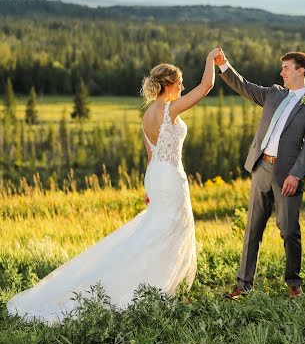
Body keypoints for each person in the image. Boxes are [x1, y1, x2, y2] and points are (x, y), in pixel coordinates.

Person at [7, 49, 221, 324]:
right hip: (169, 177)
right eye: (179, 82)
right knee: (168, 232)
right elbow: (207, 87)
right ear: (168, 85)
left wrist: (148, 188)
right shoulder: (170, 109)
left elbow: (150, 155)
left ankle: (153, 288)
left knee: (155, 231)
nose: (183, 86)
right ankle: (151, 289)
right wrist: (209, 59)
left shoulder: (147, 115)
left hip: (156, 175)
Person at [215, 49, 305, 299]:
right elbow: (244, 86)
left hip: (288, 175)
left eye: (286, 68)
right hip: (261, 169)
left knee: (289, 231)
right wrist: (224, 65)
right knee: (252, 229)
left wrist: (296, 175)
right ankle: (243, 285)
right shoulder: (274, 94)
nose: (282, 72)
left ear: (301, 71)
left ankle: (294, 283)